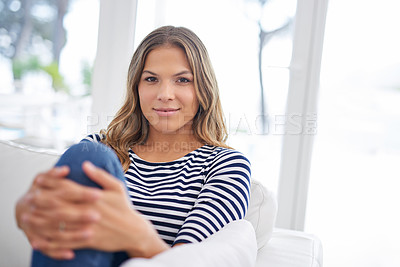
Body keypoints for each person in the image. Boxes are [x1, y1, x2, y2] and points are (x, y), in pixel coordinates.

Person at [15, 25, 251, 266]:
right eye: (151, 79)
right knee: (89, 155)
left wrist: (135, 234)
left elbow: (186, 262)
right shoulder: (100, 147)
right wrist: (27, 210)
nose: (165, 94)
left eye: (182, 80)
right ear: (136, 87)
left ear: (203, 88)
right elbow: (51, 216)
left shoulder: (226, 166)